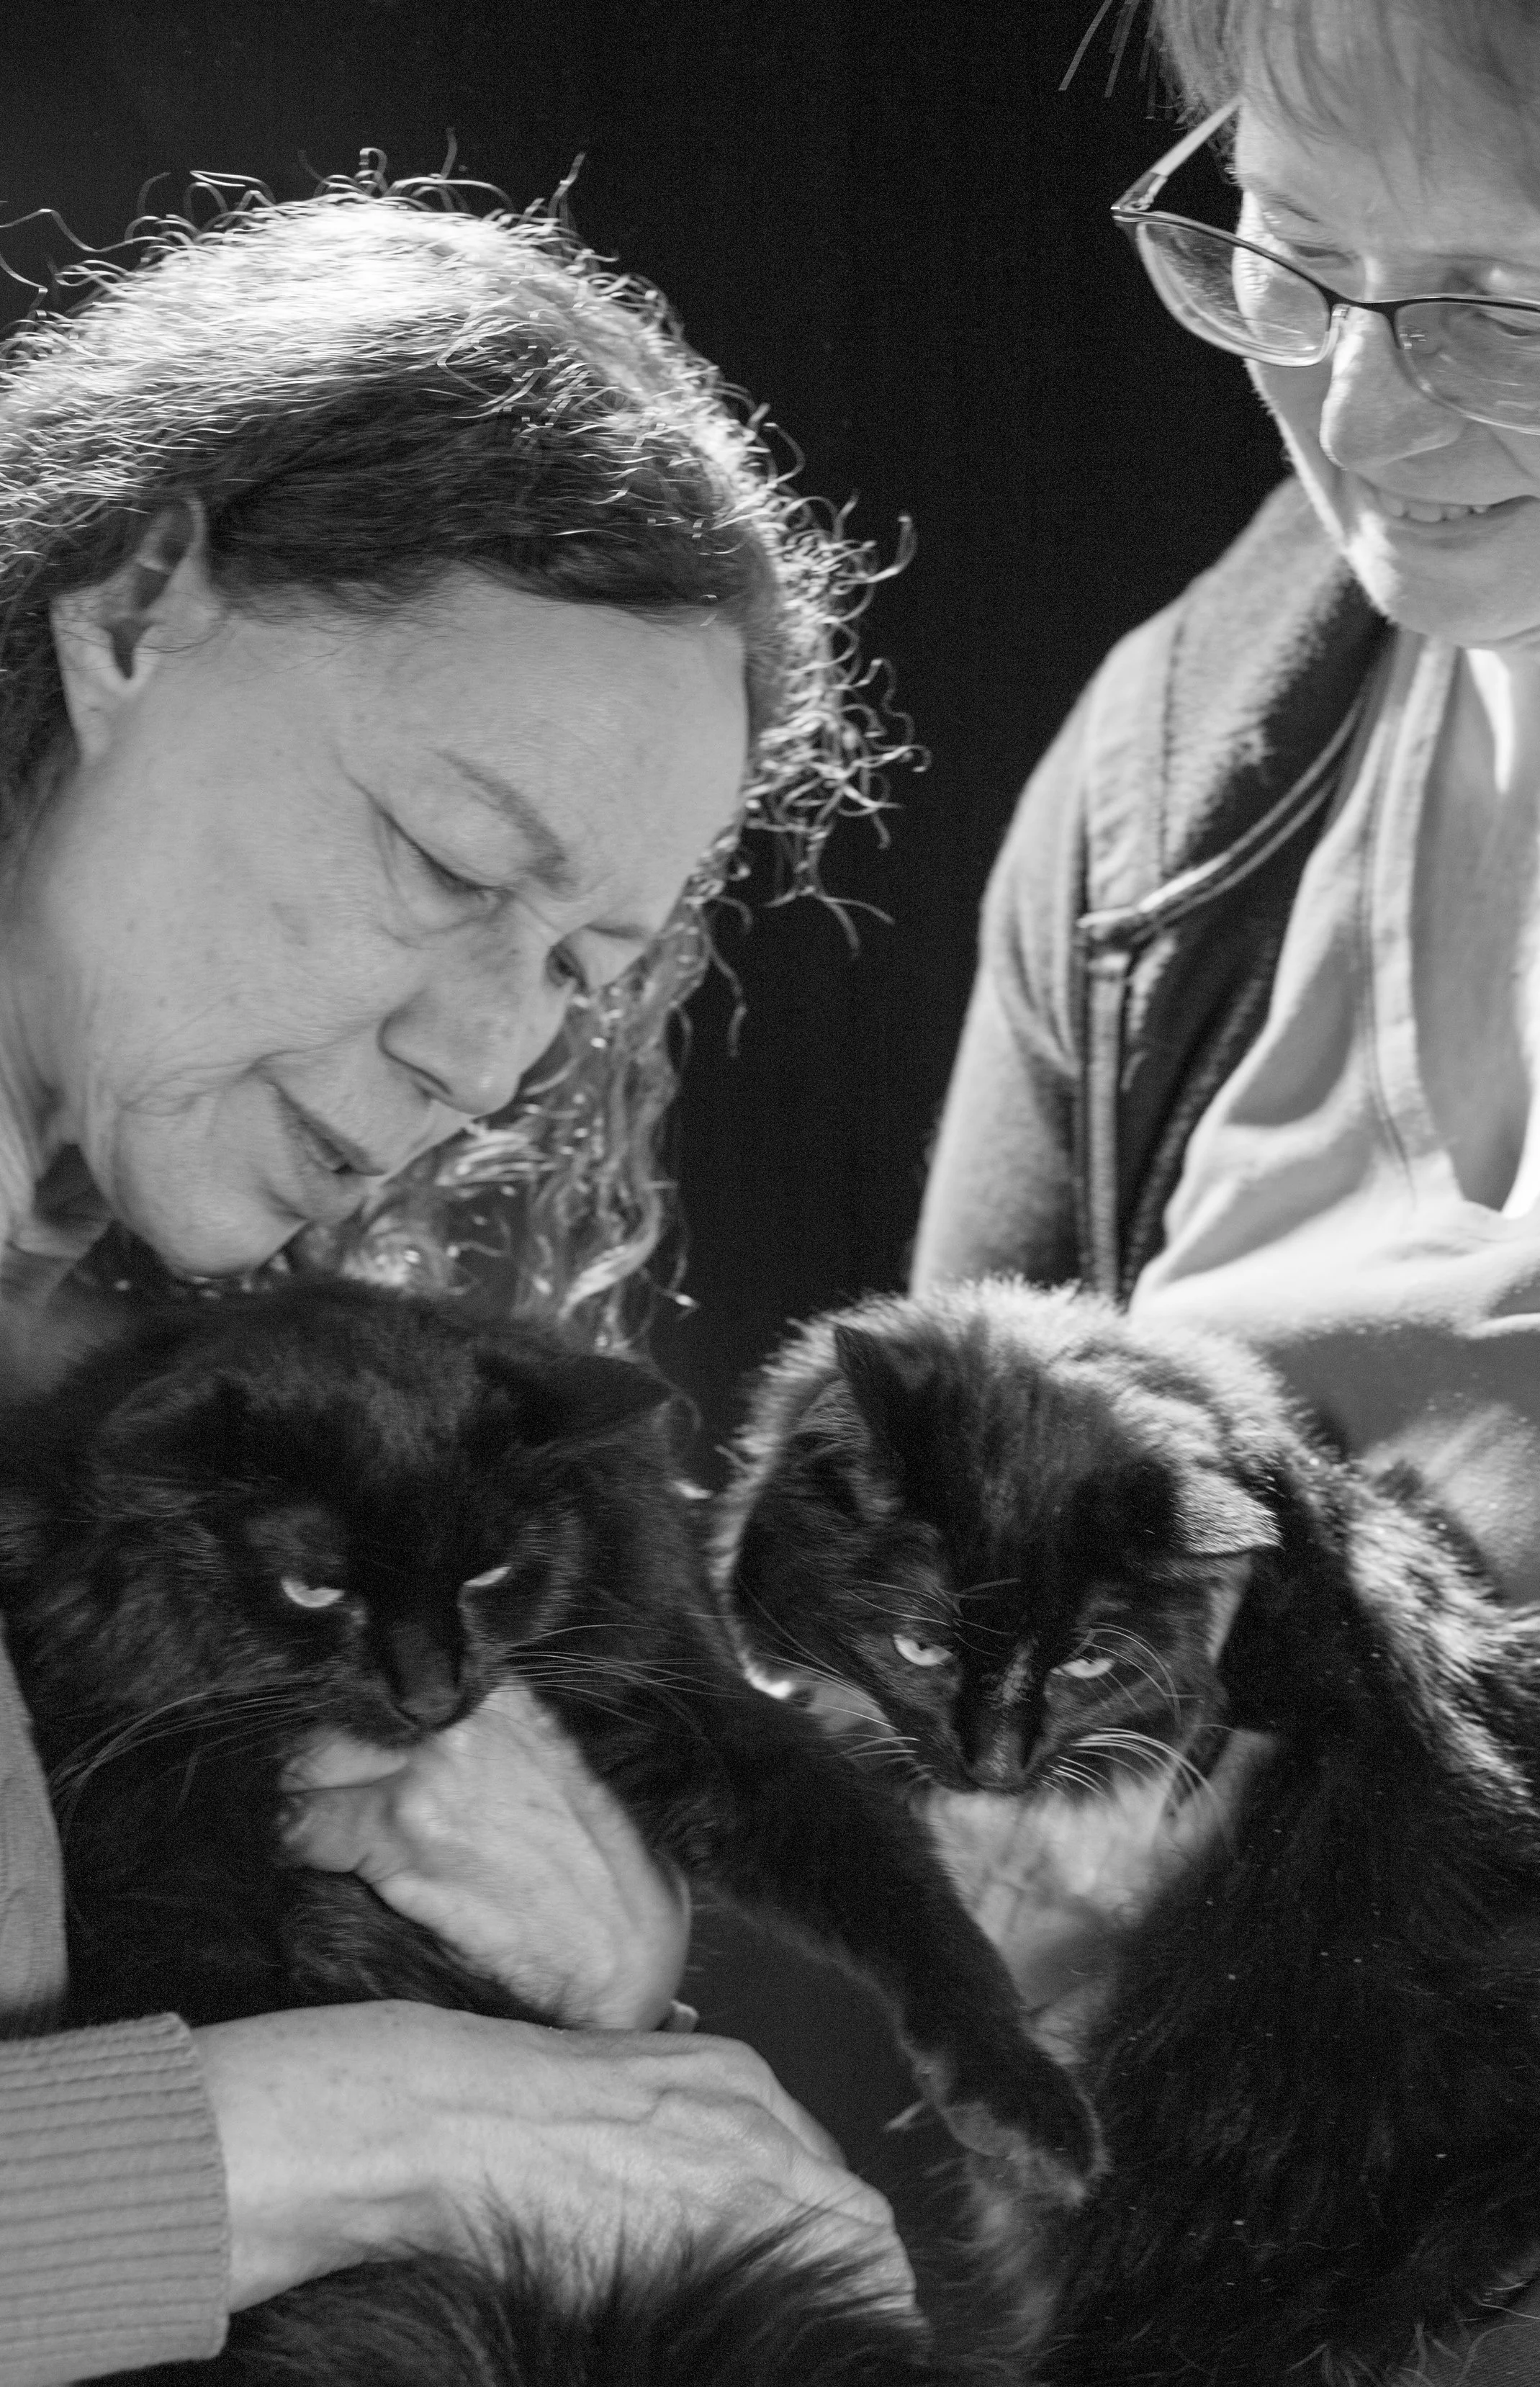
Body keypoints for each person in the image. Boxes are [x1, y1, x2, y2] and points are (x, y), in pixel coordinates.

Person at [914, 0, 1540, 2375]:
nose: (1368, 417)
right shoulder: (1170, 793)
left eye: (1516, 311)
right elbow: (954, 1784)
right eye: (1294, 259)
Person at [0, 181, 909, 2386]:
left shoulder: (172, 1400)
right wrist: (348, 2135)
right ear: (136, 604)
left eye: (585, 970)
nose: (490, 1049)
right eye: (444, 861)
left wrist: (584, 1982)